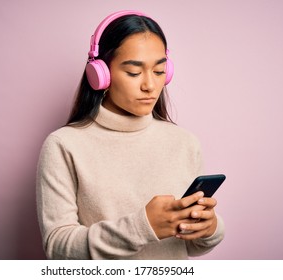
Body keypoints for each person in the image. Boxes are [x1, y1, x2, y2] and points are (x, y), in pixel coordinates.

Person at [36, 10, 224, 260]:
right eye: (134, 73)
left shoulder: (185, 143)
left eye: (159, 72)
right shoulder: (64, 145)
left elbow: (190, 247)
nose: (149, 85)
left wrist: (209, 229)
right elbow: (58, 248)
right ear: (100, 74)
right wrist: (142, 227)